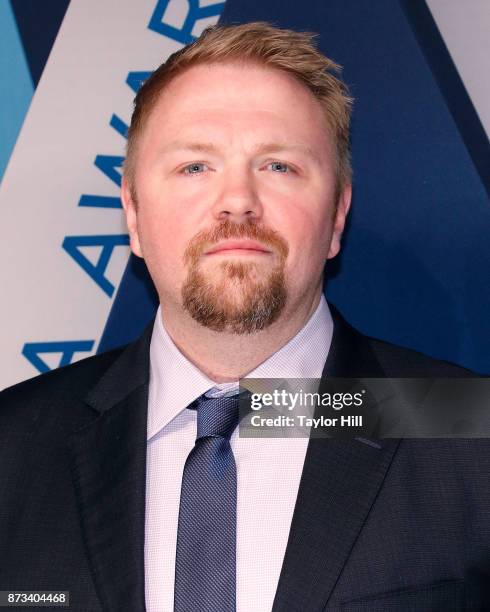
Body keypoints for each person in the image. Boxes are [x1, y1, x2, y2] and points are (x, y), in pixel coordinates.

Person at [1, 22, 489, 612]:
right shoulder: (13, 447)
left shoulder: (469, 431)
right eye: (194, 167)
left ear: (336, 215)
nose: (238, 199)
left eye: (279, 166)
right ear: (132, 212)